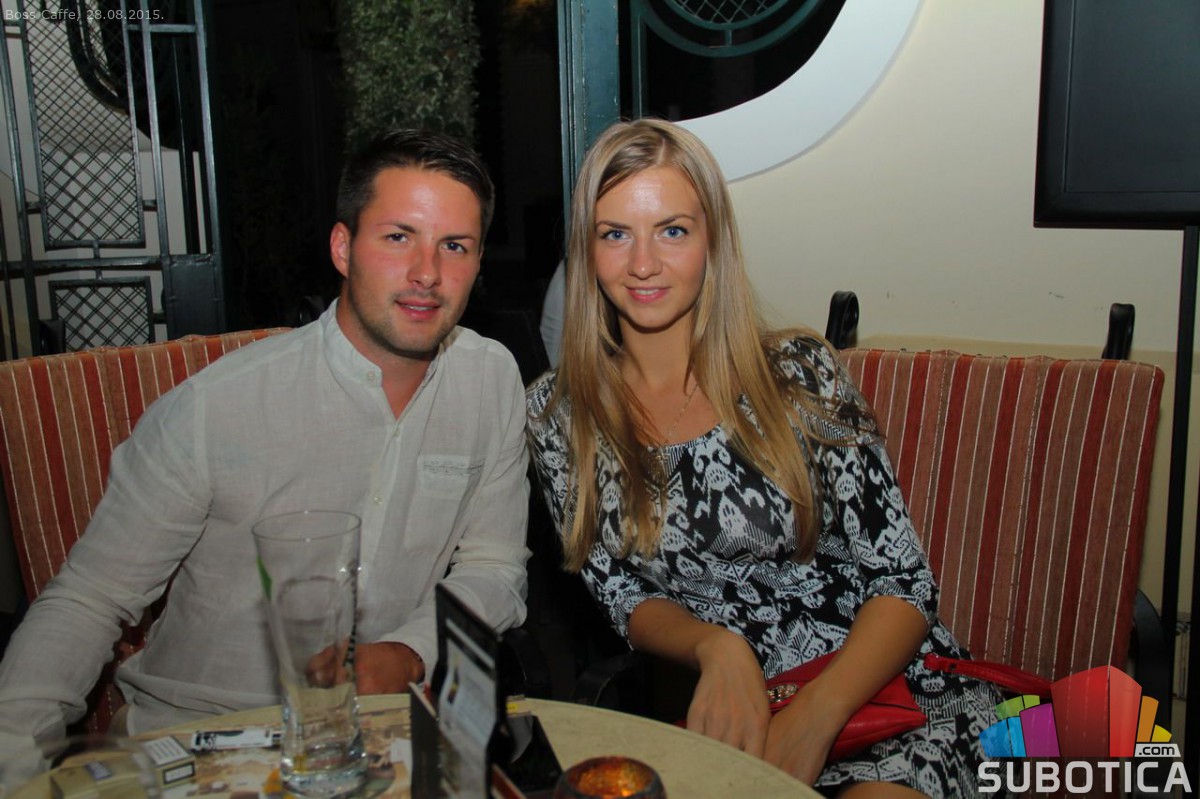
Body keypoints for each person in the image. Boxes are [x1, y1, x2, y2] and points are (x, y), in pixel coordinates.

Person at [0, 129, 529, 762]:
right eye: (398, 237)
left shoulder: (489, 379)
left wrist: (411, 651)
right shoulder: (215, 408)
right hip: (202, 743)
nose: (427, 274)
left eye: (454, 246)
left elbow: (494, 566)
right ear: (343, 248)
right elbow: (90, 600)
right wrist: (13, 763)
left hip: (380, 738)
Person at [526, 119, 996, 797]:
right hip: (736, 717)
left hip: (890, 697)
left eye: (672, 230)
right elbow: (623, 596)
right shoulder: (556, 416)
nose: (643, 264)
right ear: (586, 248)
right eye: (616, 234)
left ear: (712, 240)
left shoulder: (799, 375)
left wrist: (816, 716)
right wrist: (716, 646)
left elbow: (904, 583)